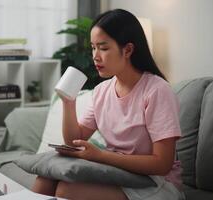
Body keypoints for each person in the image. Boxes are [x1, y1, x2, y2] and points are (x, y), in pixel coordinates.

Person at [32, 9, 185, 200]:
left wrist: (101, 156)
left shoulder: (157, 90)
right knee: (46, 178)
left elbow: (162, 164)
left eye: (103, 48)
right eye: (93, 47)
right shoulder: (102, 90)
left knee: (67, 190)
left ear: (128, 50)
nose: (95, 56)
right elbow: (74, 141)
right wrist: (68, 102)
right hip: (119, 173)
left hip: (157, 182)